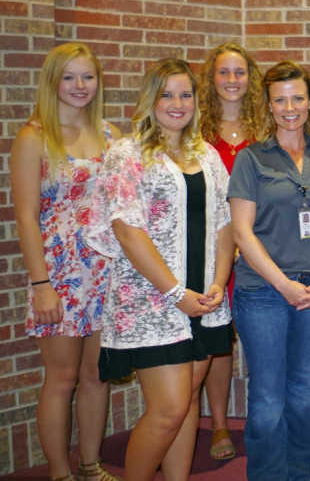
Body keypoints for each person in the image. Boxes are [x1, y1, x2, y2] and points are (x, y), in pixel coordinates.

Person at [85, 58, 234, 481]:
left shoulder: (206, 154)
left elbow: (224, 223)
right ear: (150, 99)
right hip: (153, 303)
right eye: (167, 94)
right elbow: (127, 230)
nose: (177, 103)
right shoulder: (127, 153)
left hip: (203, 300)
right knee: (168, 409)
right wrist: (174, 293)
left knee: (187, 404)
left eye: (185, 94)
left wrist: (218, 281)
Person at [228, 61, 310, 481]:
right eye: (280, 100)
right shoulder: (251, 159)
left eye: (297, 98)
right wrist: (284, 286)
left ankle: (304, 472)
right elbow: (241, 232)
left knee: (302, 390)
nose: (290, 108)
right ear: (269, 106)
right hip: (263, 291)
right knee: (267, 396)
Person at [11, 43, 121, 481]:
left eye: (87, 76)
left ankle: (91, 466)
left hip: (105, 273)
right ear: (53, 81)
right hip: (58, 275)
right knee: (61, 378)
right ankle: (59, 472)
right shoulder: (34, 137)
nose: (79, 85)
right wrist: (41, 285)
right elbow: (25, 216)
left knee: (97, 375)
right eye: (69, 77)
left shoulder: (111, 135)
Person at [197, 42, 266, 461]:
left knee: (262, 339)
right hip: (211, 252)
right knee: (217, 341)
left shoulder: (266, 127)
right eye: (223, 72)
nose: (232, 80)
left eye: (239, 72)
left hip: (259, 251)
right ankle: (219, 424)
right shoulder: (196, 130)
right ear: (211, 78)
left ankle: (266, 421)